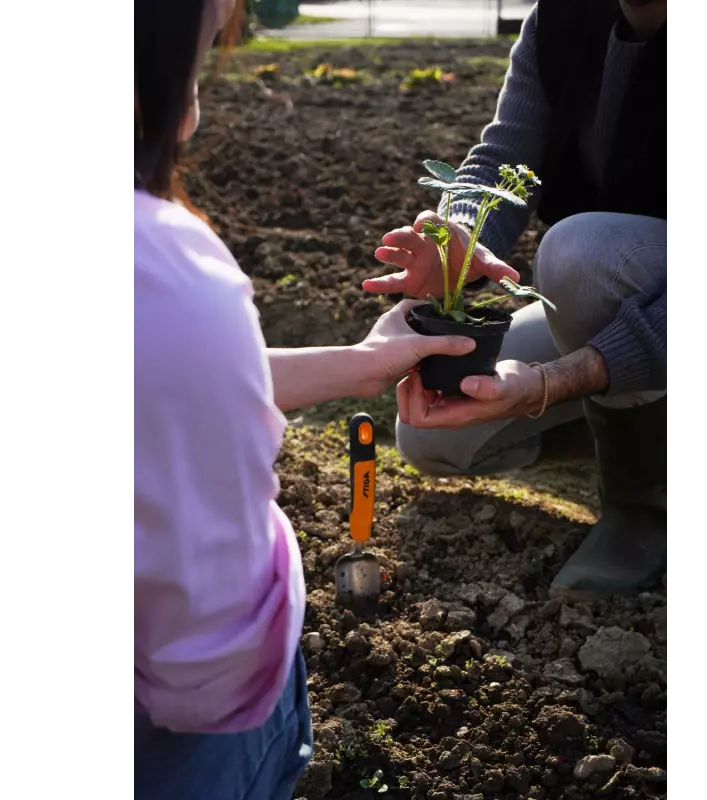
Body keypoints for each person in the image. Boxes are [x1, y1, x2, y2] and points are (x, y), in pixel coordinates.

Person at [129, 2, 477, 798]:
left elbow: (167, 382)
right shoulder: (163, 264)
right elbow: (202, 649)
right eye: (212, 29)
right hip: (191, 734)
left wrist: (361, 366)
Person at [365, 0, 671, 600]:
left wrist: (562, 379)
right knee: (437, 434)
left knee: (582, 254)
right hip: (636, 296)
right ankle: (664, 439)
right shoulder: (562, 17)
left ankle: (643, 505)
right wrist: (458, 234)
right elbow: (504, 158)